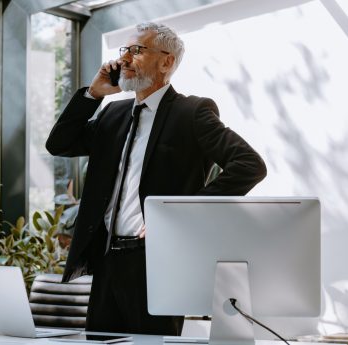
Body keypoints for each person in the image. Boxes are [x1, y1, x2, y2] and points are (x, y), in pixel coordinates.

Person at [45, 22, 267, 335]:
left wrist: (180, 211)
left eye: (137, 50)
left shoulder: (192, 112)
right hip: (106, 260)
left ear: (166, 62)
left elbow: (249, 165)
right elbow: (59, 144)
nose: (124, 59)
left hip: (155, 264)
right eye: (124, 50)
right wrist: (94, 94)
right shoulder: (112, 114)